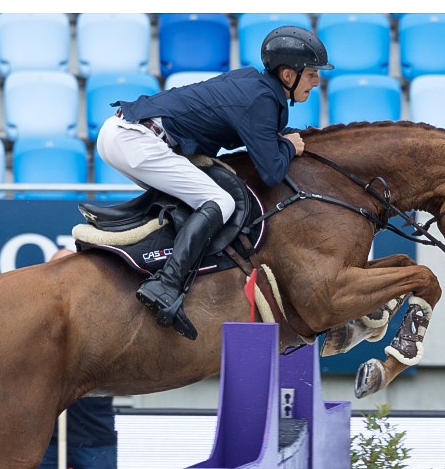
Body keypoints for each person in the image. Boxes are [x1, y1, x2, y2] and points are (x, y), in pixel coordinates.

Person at [96, 25, 333, 340]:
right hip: (135, 140)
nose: (316, 82)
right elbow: (272, 173)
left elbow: (260, 140)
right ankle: (165, 285)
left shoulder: (258, 88)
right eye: (312, 74)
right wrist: (290, 147)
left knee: (197, 199)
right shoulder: (260, 99)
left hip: (125, 135)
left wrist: (286, 142)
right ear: (288, 75)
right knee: (220, 202)